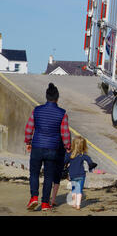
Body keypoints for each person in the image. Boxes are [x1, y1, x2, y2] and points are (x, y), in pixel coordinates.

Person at [25, 83, 71, 211]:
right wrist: (68, 146)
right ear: (57, 98)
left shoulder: (37, 110)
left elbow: (29, 128)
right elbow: (65, 133)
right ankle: (45, 203)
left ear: (46, 97)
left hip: (37, 147)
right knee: (48, 176)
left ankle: (34, 197)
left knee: (34, 173)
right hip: (53, 149)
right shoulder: (62, 113)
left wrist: (28, 142)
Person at [64, 136, 97, 210]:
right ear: (83, 146)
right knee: (79, 190)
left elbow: (64, 161)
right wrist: (91, 166)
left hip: (73, 175)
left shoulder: (70, 155)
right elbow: (89, 160)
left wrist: (66, 154)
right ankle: (78, 205)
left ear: (73, 144)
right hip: (81, 175)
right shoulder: (83, 155)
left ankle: (74, 203)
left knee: (74, 189)